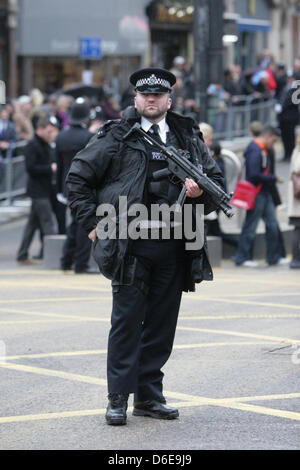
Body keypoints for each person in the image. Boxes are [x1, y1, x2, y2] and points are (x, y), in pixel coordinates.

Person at [66, 67, 224, 425]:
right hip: (129, 245)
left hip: (173, 244)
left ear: (169, 99)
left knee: (161, 325)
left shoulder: (186, 136)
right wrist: (93, 226)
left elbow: (215, 183)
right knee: (125, 323)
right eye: (144, 94)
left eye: (158, 94)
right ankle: (118, 398)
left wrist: (199, 193)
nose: (151, 99)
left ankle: (149, 397)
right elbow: (78, 179)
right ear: (135, 99)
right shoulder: (117, 134)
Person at [234, 125, 289, 268]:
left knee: (272, 226)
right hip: (257, 194)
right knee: (251, 226)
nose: (274, 144)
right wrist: (272, 178)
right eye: (274, 140)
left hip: (264, 193)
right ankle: (242, 257)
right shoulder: (255, 150)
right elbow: (253, 174)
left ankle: (274, 257)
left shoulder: (260, 149)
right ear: (267, 136)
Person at [56, 98, 95, 273]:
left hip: (66, 185)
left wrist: (59, 189)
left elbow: (58, 166)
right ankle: (80, 263)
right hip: (84, 186)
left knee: (73, 224)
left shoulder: (61, 136)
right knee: (84, 225)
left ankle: (66, 260)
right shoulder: (88, 136)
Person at [16, 117, 58, 264]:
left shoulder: (45, 144)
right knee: (48, 223)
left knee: (32, 225)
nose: (50, 134)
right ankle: (54, 257)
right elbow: (31, 168)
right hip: (38, 191)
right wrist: (50, 168)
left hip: (43, 189)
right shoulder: (32, 145)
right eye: (48, 131)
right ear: (40, 129)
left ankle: (22, 255)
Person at [288, 129, 300, 269]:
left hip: (296, 195)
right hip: (298, 199)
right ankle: (296, 259)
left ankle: (296, 259)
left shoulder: (296, 148)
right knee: (297, 228)